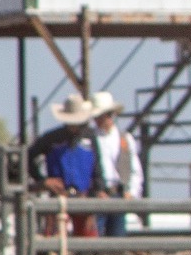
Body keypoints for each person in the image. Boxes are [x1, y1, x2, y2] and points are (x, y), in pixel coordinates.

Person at [28, 93, 104, 239]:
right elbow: (28, 157)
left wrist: (96, 194)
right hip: (59, 197)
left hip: (84, 198)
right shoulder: (52, 138)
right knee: (53, 239)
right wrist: (43, 181)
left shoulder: (89, 138)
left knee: (87, 240)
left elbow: (97, 169)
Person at [88, 91, 142, 237]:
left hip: (118, 192)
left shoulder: (124, 138)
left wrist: (131, 191)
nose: (100, 120)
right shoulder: (90, 138)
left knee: (117, 238)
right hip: (98, 193)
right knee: (96, 236)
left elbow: (135, 169)